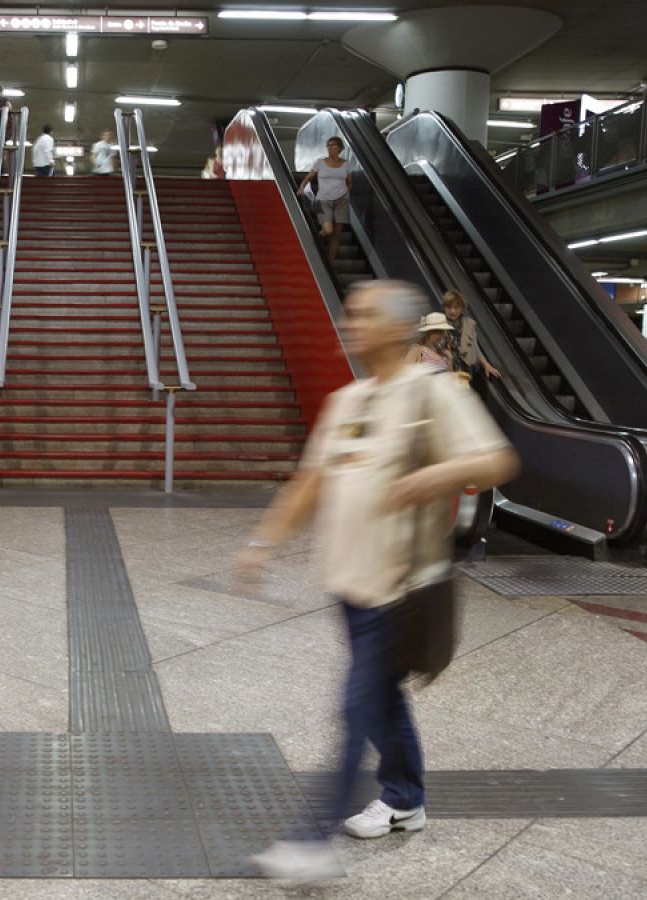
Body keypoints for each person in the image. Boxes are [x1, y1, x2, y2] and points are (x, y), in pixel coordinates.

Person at [238, 280, 518, 886]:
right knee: (382, 699)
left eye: (364, 315)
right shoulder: (349, 399)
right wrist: (263, 543)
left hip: (400, 587)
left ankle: (311, 842)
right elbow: (311, 481)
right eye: (350, 314)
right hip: (350, 582)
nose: (352, 325)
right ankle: (406, 798)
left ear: (397, 328)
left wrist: (431, 477)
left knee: (357, 705)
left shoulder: (431, 393)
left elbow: (497, 459)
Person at [299, 136, 352, 265]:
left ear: (340, 148)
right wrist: (301, 188)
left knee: (336, 234)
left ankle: (329, 263)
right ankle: (313, 240)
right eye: (328, 146)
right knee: (328, 230)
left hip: (341, 200)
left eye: (333, 145)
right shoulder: (320, 162)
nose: (330, 148)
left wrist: (346, 192)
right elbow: (309, 177)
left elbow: (349, 182)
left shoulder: (346, 164)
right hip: (321, 200)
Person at [439, 289, 500, 381]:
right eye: (449, 307)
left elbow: (475, 347)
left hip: (465, 371)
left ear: (462, 308)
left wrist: (486, 364)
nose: (452, 311)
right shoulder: (438, 324)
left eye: (456, 307)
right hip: (445, 371)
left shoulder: (469, 324)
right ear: (444, 307)